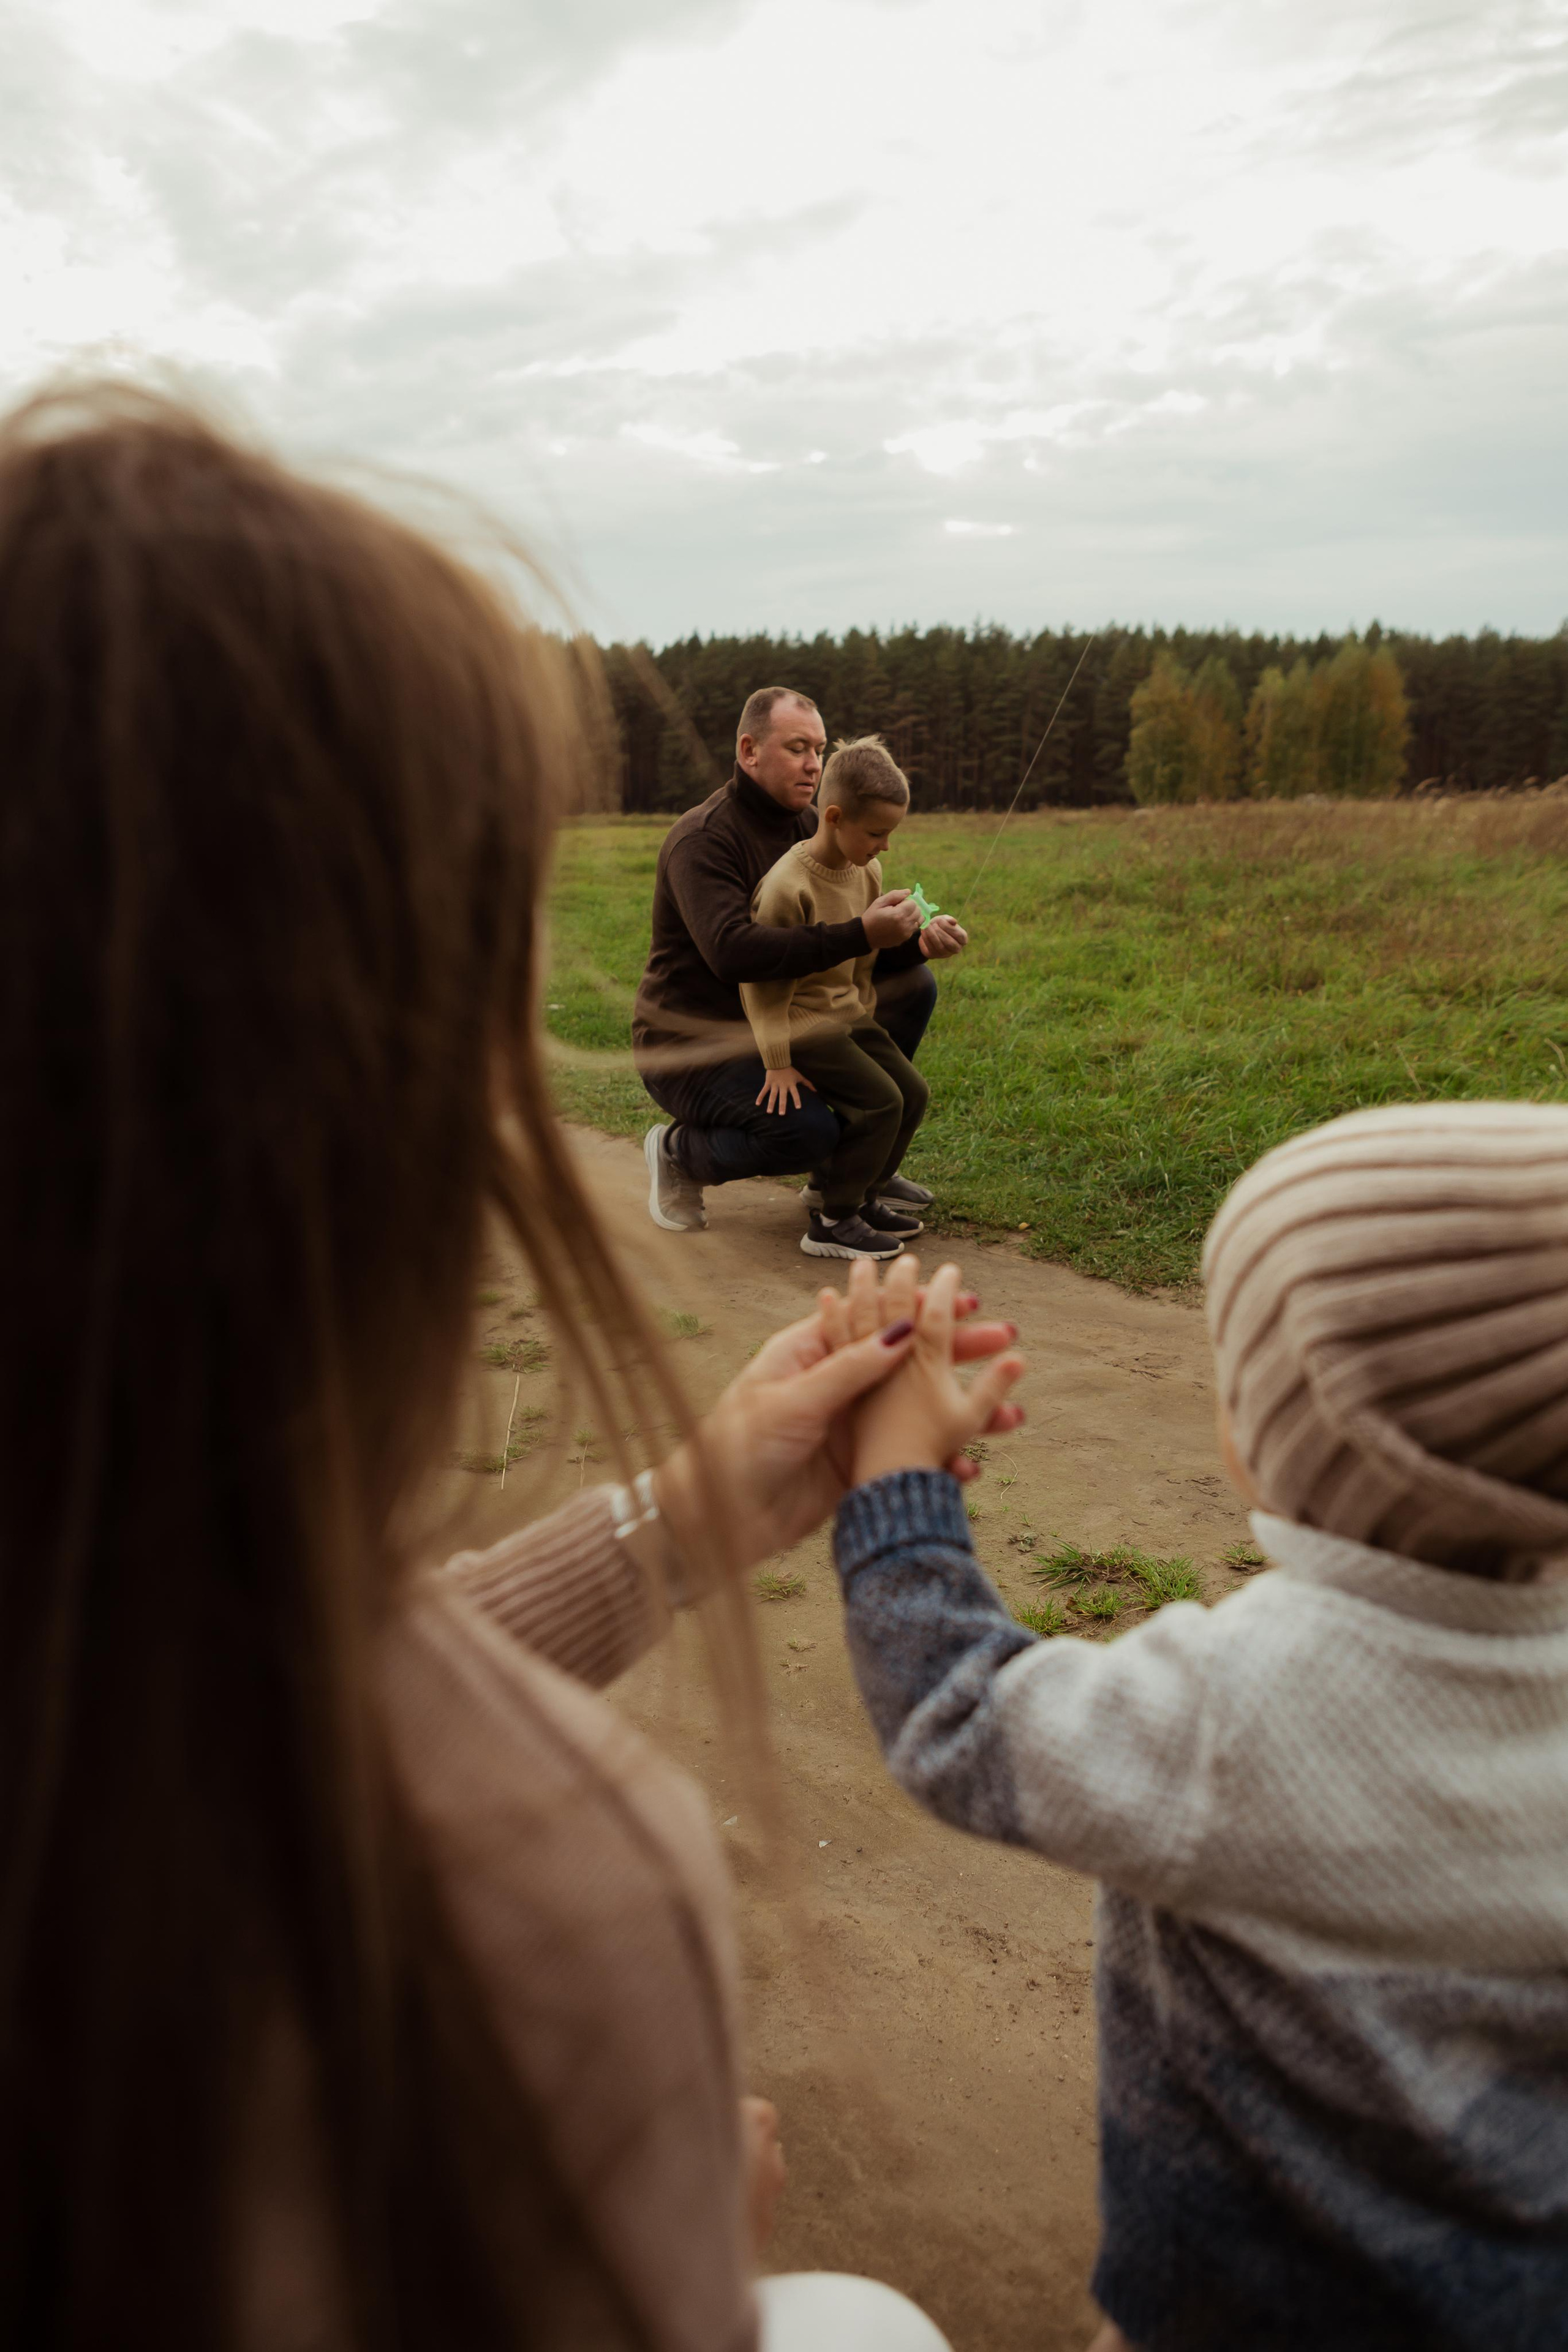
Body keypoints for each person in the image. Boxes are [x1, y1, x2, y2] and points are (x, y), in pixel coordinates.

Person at [0, 383, 1028, 2351]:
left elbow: (247, 1687)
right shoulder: (566, 1902)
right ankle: (730, 1163)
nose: (817, 767)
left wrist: (680, 1508)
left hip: (787, 1041)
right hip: (721, 1054)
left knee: (876, 1060)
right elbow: (738, 971)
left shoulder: (88, 1634)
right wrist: (675, 2266)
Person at [823, 1106, 1568, 2352]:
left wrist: (893, 1482)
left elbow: (958, 1718)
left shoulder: (1235, 1708)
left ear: (1292, 1442)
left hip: (1234, 2304)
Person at [633, 686, 967, 1237]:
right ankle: (677, 1152)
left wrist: (914, 942)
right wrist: (861, 932)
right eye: (796, 748)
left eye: (818, 749)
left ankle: (853, 1171)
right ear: (749, 752)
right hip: (695, 1041)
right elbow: (733, 952)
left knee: (915, 984)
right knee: (806, 1132)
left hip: (793, 1015)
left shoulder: (816, 827)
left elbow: (841, 943)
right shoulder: (703, 839)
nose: (813, 764)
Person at [741, 737, 930, 1264]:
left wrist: (918, 939)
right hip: (799, 1021)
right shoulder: (788, 885)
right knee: (881, 1101)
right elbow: (760, 985)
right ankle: (832, 1219)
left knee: (911, 1092)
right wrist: (776, 1062)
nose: (885, 846)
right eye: (876, 833)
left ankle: (861, 1196)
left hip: (846, 1014)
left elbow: (865, 953)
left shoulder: (866, 869)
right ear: (833, 816)